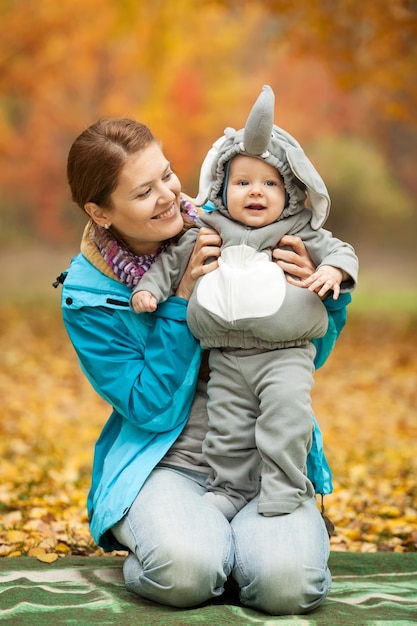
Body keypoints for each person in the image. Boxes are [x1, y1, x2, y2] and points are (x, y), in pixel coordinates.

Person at [56, 111, 352, 616]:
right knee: (185, 573)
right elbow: (150, 408)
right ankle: (181, 544)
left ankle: (244, 544)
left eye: (167, 174)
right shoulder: (88, 296)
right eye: (144, 191)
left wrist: (321, 297)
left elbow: (307, 359)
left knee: (287, 587)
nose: (171, 195)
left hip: (266, 457)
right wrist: (179, 302)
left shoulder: (235, 224)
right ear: (100, 212)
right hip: (167, 463)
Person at [131, 85, 358, 521]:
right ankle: (230, 489)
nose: (256, 192)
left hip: (284, 355)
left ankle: (286, 487)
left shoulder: (298, 230)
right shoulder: (208, 227)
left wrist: (332, 272)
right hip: (227, 356)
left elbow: (341, 251)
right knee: (227, 427)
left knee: (286, 417)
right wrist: (150, 290)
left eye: (270, 183)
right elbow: (175, 261)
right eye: (243, 182)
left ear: (290, 192)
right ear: (222, 186)